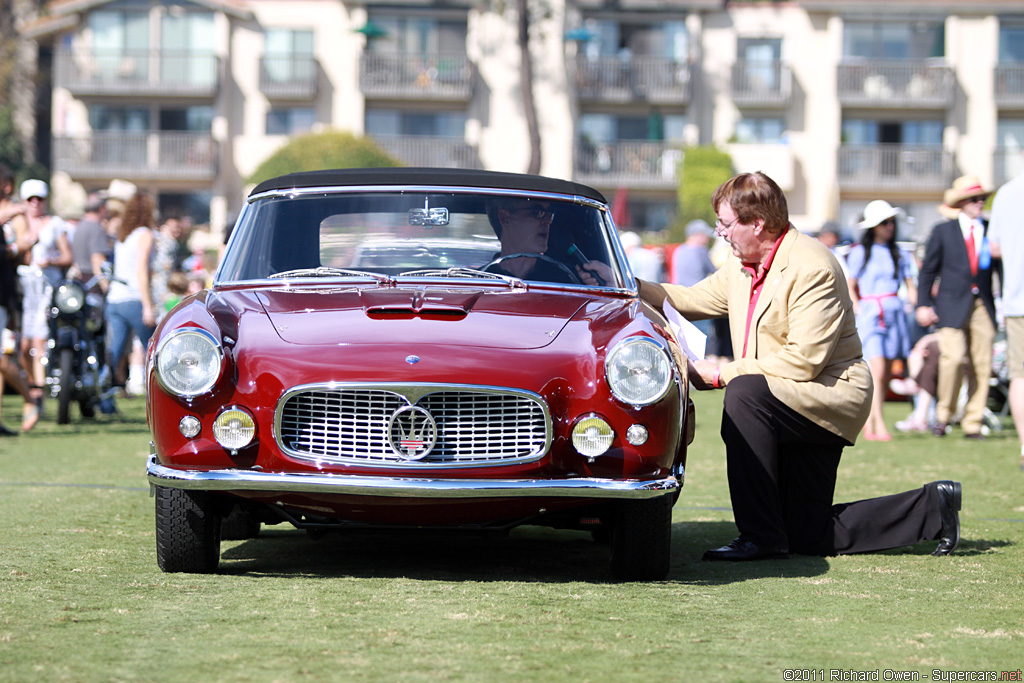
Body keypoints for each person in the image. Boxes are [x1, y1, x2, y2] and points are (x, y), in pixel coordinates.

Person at [637, 172, 961, 561]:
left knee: (744, 395)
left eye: (725, 224)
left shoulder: (813, 266)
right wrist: (622, 282)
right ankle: (933, 507)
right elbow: (688, 298)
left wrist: (721, 374)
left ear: (756, 224)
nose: (719, 233)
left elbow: (804, 360)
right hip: (785, 395)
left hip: (826, 396)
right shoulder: (742, 263)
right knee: (809, 534)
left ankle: (759, 536)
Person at [916, 175, 997, 439]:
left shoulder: (990, 228)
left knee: (982, 363)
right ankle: (943, 416)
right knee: (951, 358)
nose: (979, 203)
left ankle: (973, 422)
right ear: (961, 202)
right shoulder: (943, 231)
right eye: (975, 198)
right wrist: (923, 304)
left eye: (982, 198)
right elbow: (928, 271)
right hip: (950, 304)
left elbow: (1001, 268)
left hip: (983, 304)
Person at [846, 200, 917, 441]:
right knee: (876, 370)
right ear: (873, 226)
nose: (889, 227)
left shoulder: (899, 253)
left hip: (894, 313)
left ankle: (871, 419)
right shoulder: (859, 252)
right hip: (872, 315)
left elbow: (909, 283)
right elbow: (851, 284)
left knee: (885, 373)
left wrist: (915, 305)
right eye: (884, 222)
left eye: (891, 222)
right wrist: (858, 307)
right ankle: (876, 423)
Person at [19, 179, 73, 399]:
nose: (35, 203)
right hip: (23, 287)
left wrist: (50, 262)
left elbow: (68, 256)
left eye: (39, 199)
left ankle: (38, 390)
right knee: (23, 343)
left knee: (39, 338)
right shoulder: (18, 223)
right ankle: (31, 383)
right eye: (30, 199)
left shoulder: (55, 223)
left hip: (47, 287)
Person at [987, 154, 1024, 470]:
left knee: (1019, 376)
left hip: (1016, 301)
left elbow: (994, 247)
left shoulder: (1007, 193)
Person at [484, 197, 611, 285]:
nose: (548, 221)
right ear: (505, 218)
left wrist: (611, 283)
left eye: (549, 214)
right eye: (537, 212)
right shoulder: (481, 280)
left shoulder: (570, 281)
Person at [0, 164, 41, 433]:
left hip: (4, 292)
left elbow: (25, 254)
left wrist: (20, 246)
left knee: (3, 358)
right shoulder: (10, 213)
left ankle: (30, 399)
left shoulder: (15, 213)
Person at [106, 191, 157, 396]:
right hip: (134, 298)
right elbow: (141, 270)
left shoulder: (123, 235)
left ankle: (105, 393)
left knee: (115, 351)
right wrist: (148, 304)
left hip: (115, 298)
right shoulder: (145, 234)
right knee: (154, 349)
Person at [670, 219, 717, 343]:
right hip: (699, 299)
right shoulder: (701, 251)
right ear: (697, 235)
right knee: (702, 336)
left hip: (679, 298)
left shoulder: (679, 250)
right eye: (705, 236)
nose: (707, 239)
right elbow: (716, 272)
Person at [70, 192, 111, 284]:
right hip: (93, 282)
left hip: (81, 278)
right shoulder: (95, 229)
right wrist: (105, 286)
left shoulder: (80, 226)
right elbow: (98, 260)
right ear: (102, 209)